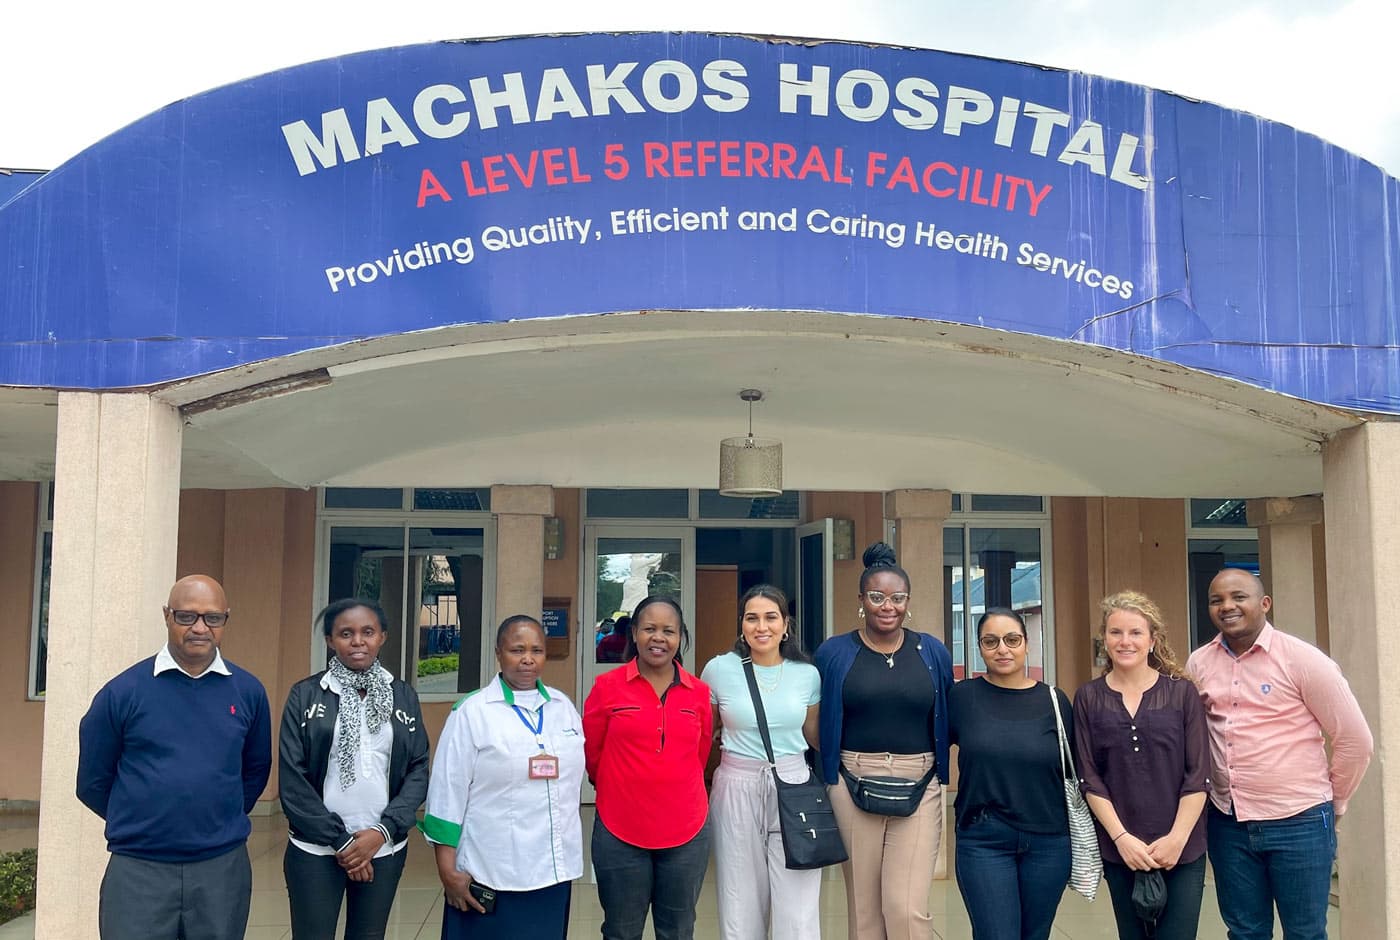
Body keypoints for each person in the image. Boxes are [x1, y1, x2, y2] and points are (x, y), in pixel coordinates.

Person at [76, 574, 272, 940]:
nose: (200, 628)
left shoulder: (248, 692)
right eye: (187, 617)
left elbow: (256, 769)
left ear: (225, 620)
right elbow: (92, 782)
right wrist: (147, 818)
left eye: (212, 618)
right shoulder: (123, 692)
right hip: (139, 869)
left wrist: (214, 817)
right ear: (167, 616)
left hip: (220, 869)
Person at [1186, 568, 1373, 940]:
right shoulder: (1199, 663)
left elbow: (1355, 740)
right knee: (1244, 931)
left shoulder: (1303, 660)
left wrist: (1335, 801)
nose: (1227, 606)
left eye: (1239, 597)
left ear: (1264, 603)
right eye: (1216, 600)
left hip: (1299, 822)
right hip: (1228, 822)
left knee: (1304, 933)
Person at [813, 542, 954, 940]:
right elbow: (813, 714)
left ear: (908, 601)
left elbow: (948, 711)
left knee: (906, 908)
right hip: (851, 779)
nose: (887, 606)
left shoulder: (933, 652)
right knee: (864, 912)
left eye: (897, 597)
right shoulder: (834, 652)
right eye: (876, 597)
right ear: (861, 600)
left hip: (920, 782)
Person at [421, 614, 584, 939]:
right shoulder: (473, 711)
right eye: (517, 650)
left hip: (552, 871)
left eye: (536, 650)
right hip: (490, 870)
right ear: (498, 653)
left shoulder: (562, 707)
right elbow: (446, 793)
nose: (527, 659)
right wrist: (448, 870)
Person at [278, 599, 430, 940]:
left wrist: (383, 831)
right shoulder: (305, 695)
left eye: (367, 632)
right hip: (315, 848)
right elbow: (293, 779)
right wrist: (342, 841)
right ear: (331, 640)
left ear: (383, 637)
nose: (357, 641)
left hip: (384, 846)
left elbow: (419, 767)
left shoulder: (402, 695)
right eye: (346, 633)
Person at [1073, 591, 1210, 940]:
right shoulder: (1088, 697)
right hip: (1121, 849)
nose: (1125, 641)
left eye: (1136, 632)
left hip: (1182, 848)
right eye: (1116, 632)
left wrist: (1177, 839)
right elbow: (1089, 777)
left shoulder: (1182, 694)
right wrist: (1122, 839)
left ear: (1152, 640)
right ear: (1105, 639)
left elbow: (1198, 775)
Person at [583, 596, 713, 940]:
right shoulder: (606, 687)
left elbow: (699, 756)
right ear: (635, 634)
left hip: (686, 830)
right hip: (619, 829)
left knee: (678, 930)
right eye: (649, 629)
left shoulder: (698, 693)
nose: (659, 638)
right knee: (621, 931)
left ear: (680, 637)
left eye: (668, 631)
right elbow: (592, 753)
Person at [701, 584, 823, 940]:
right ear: (741, 625)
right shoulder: (719, 670)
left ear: (786, 625)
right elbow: (705, 733)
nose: (761, 627)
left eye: (771, 617)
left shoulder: (806, 674)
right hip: (736, 784)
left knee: (798, 904)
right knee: (739, 898)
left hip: (794, 784)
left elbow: (814, 736)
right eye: (752, 618)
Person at [948, 607, 1073, 940]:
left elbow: (1079, 768)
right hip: (984, 838)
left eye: (1012, 639)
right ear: (979, 647)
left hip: (1049, 841)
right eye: (991, 641)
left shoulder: (1055, 701)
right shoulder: (962, 697)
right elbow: (926, 749)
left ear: (1027, 644)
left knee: (1035, 934)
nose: (1002, 649)